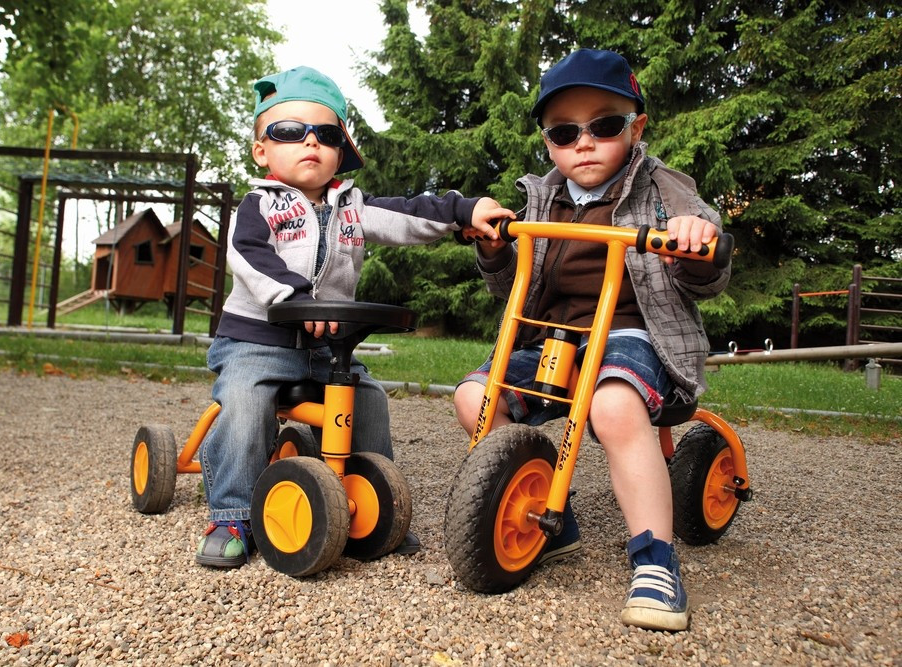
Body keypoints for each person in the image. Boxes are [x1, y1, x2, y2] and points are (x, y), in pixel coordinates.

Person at [453, 49, 730, 631]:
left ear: (636, 127)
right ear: (548, 141)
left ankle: (655, 559)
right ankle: (551, 515)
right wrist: (492, 248)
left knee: (614, 405)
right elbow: (511, 288)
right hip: (556, 339)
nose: (584, 143)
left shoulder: (663, 188)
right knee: (474, 398)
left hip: (634, 335)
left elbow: (708, 268)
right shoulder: (540, 196)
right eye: (564, 131)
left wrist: (694, 237)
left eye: (603, 126)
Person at [196, 65, 514, 570]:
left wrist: (464, 212)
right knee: (243, 401)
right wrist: (297, 298)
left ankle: (375, 500)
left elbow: (411, 213)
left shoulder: (352, 208)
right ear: (262, 150)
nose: (310, 143)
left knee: (367, 402)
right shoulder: (260, 206)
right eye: (289, 131)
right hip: (257, 340)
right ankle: (232, 512)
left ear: (340, 150)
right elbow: (250, 256)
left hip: (326, 348)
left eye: (326, 134)